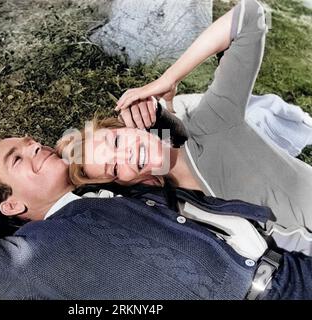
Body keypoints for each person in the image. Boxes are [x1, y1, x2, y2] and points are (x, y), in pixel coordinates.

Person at [0, 0, 311, 300]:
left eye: (29, 143)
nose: (34, 148)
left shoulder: (176, 150)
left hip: (289, 269)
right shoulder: (37, 255)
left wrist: (166, 89)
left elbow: (248, 18)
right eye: (17, 159)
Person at [63, 0, 312, 256]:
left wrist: (167, 79)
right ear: (122, 183)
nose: (124, 155)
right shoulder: (168, 211)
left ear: (128, 126)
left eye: (115, 142)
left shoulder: (210, 124)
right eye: (114, 168)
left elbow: (249, 16)